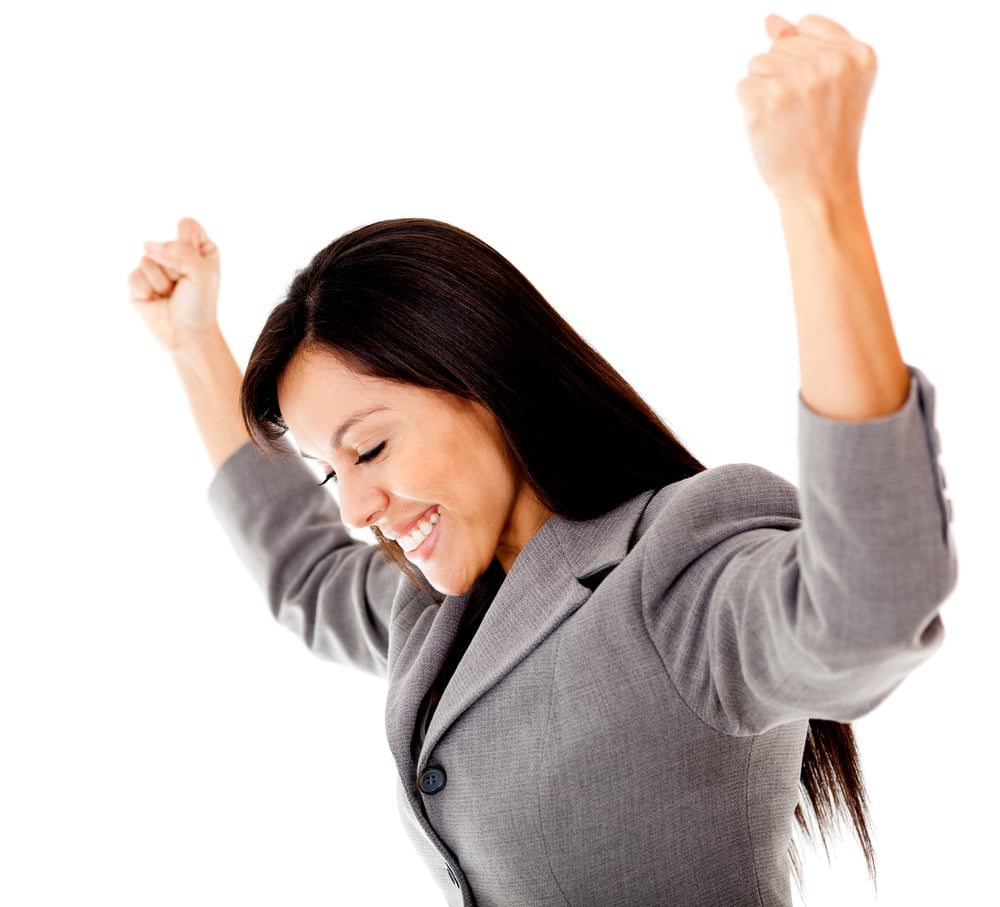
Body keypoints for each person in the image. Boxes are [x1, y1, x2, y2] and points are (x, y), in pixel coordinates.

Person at [128, 13, 955, 907]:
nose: (357, 506)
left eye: (369, 447)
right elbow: (307, 574)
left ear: (488, 382)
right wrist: (194, 347)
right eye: (334, 470)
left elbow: (869, 603)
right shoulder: (440, 611)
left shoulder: (675, 568)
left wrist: (817, 192)